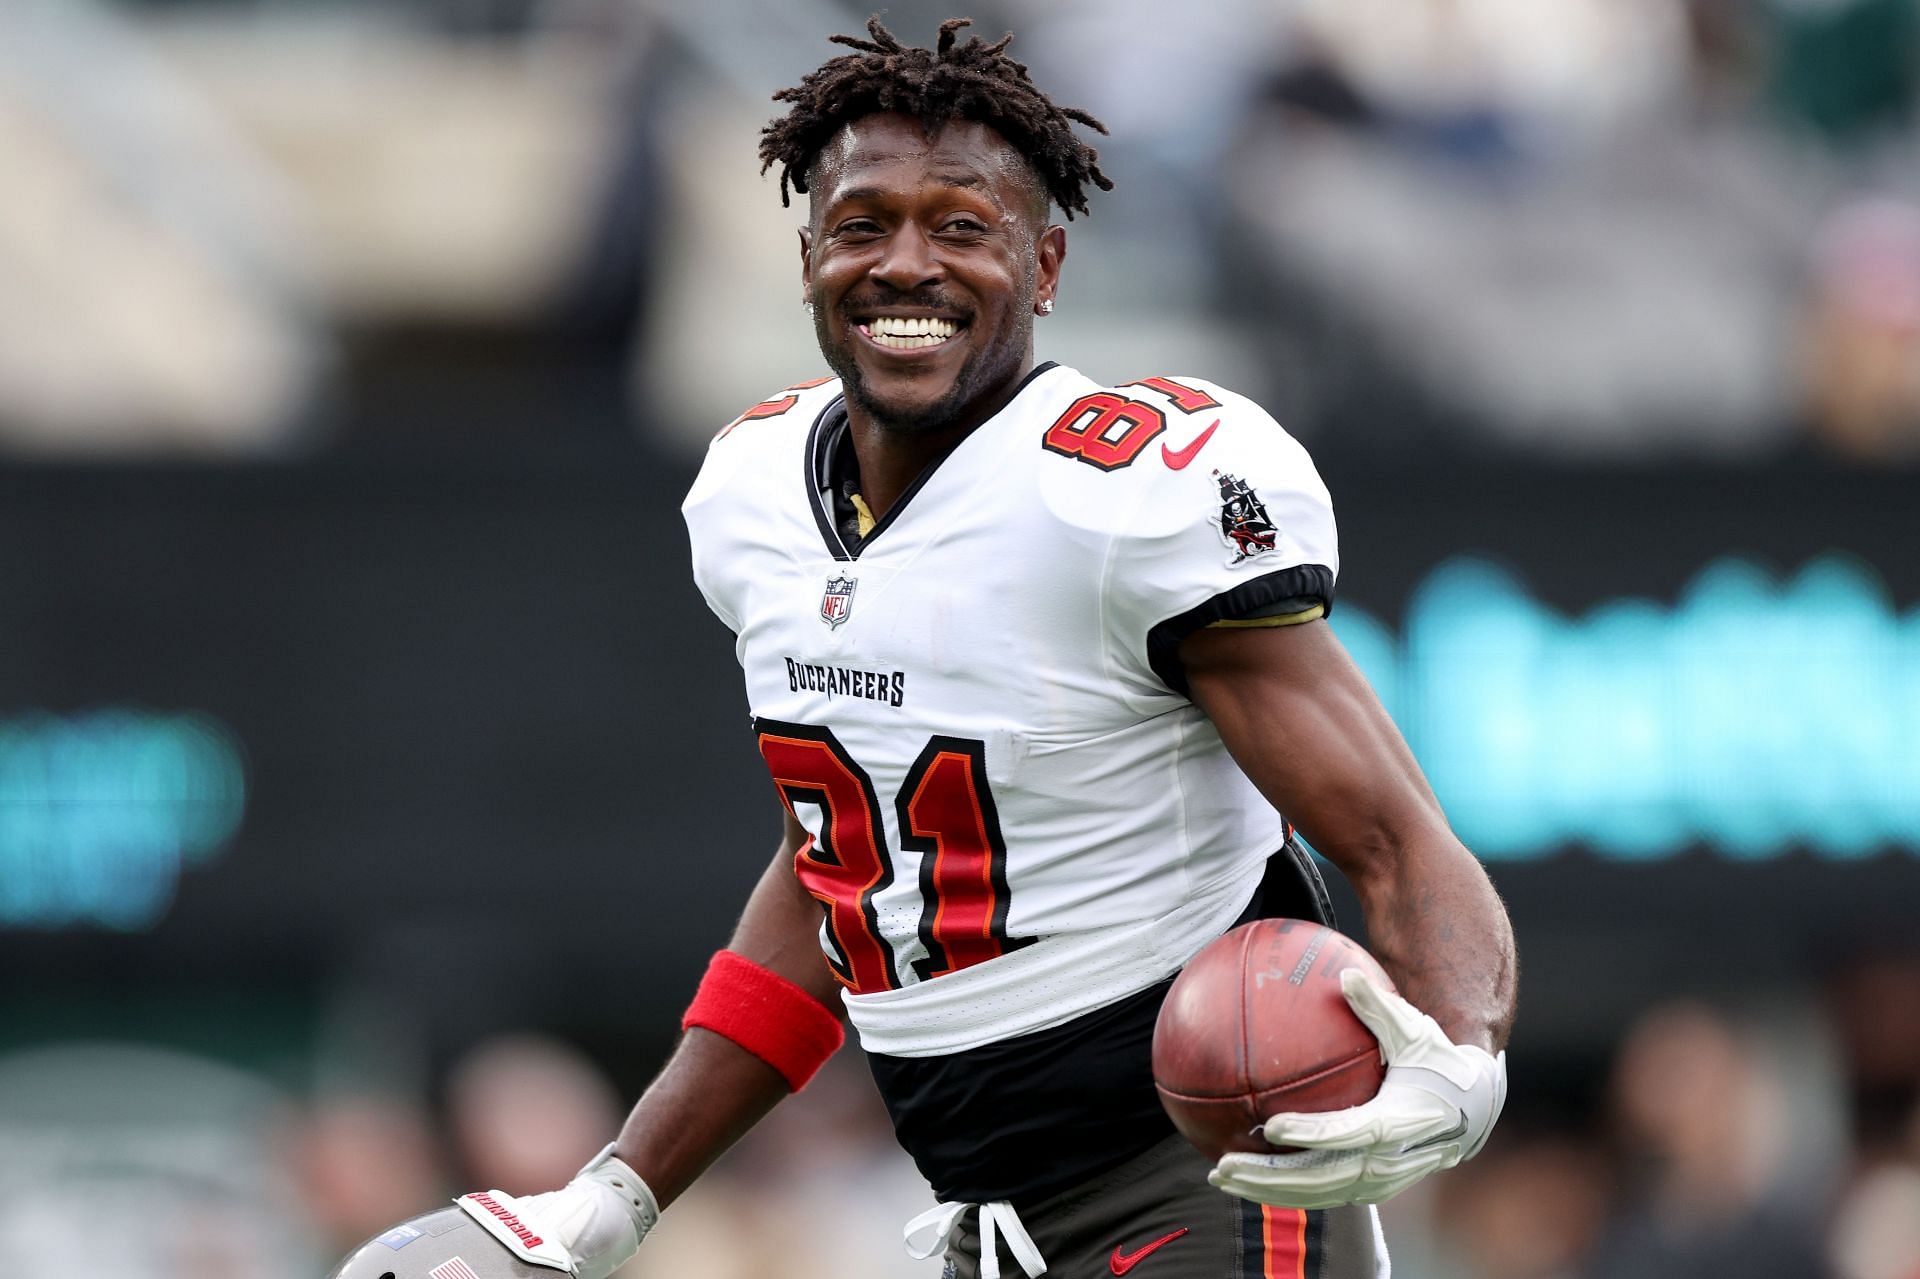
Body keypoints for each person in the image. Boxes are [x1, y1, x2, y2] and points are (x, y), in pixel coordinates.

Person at [332, 17, 1517, 1279]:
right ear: (805, 258)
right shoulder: (753, 493)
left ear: (1046, 263)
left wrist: (1462, 1053)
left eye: (961, 225)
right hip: (983, 1222)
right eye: (863, 224)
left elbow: (1395, 834)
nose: (908, 265)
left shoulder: (1120, 498)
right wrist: (619, 1190)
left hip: (1198, 1180)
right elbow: (846, 868)